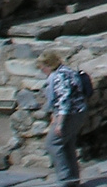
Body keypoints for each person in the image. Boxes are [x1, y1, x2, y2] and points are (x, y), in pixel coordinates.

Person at [39, 50, 88, 187]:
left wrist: (59, 122)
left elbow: (64, 101)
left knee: (52, 143)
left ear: (48, 65)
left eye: (42, 67)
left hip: (70, 115)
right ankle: (73, 180)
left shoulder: (59, 76)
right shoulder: (67, 71)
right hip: (78, 112)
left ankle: (65, 179)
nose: (41, 70)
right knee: (67, 145)